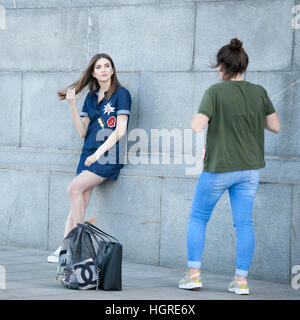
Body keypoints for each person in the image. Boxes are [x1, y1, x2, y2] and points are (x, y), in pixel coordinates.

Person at [178, 38, 280, 294]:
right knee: (244, 223)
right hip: (250, 170)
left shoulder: (215, 91)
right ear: (242, 66)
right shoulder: (259, 92)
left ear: (222, 67)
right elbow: (275, 126)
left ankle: (193, 275)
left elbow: (197, 126)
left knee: (199, 218)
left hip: (219, 168)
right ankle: (241, 281)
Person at [47, 53, 132, 263]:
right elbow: (82, 131)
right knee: (80, 200)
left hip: (107, 155)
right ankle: (65, 247)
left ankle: (77, 244)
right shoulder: (91, 98)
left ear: (112, 70)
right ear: (93, 73)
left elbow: (120, 130)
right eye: (99, 67)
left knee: (73, 189)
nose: (103, 69)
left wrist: (98, 153)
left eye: (107, 66)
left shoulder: (122, 94)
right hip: (88, 152)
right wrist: (73, 107)